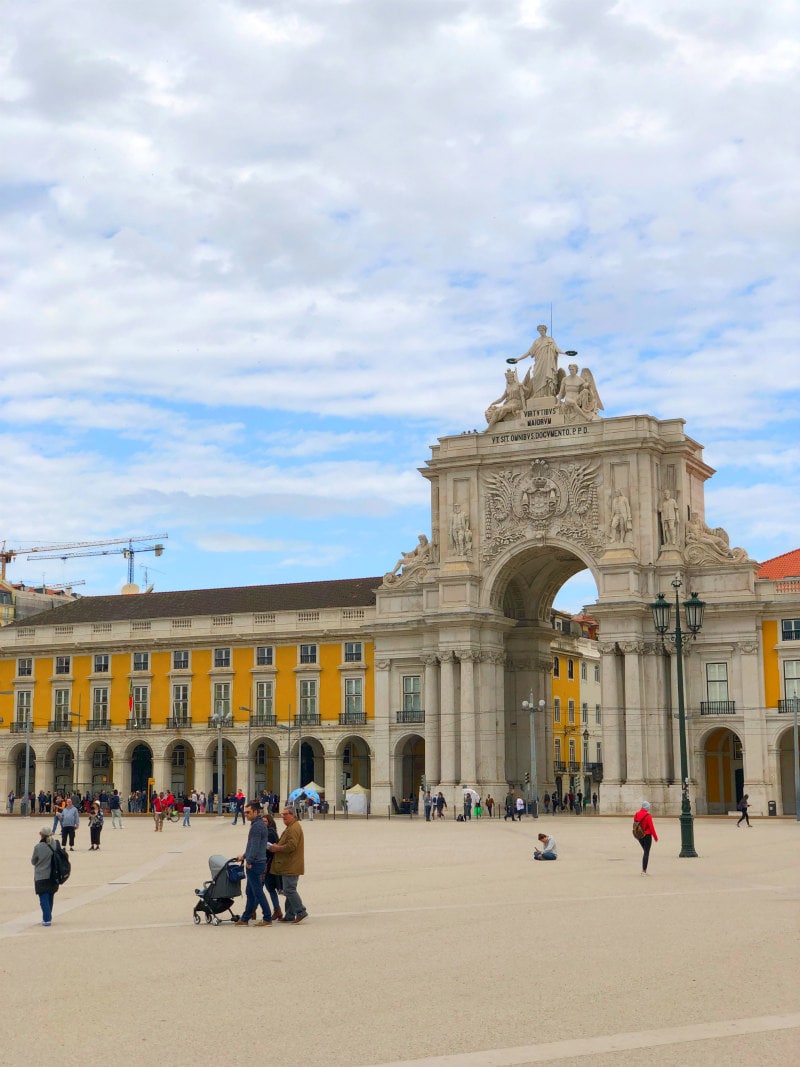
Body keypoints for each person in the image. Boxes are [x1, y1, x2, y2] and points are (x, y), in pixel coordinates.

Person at [234, 801, 272, 927]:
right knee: (250, 892)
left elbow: (255, 846)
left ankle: (267, 917)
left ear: (256, 812)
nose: (246, 814)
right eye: (245, 812)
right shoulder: (258, 824)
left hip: (255, 863)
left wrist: (249, 860)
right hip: (256, 861)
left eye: (248, 812)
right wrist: (244, 856)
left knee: (257, 892)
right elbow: (252, 845)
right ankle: (245, 918)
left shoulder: (257, 826)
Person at [268, 805, 308, 924]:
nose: (283, 817)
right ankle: (290, 914)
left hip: (291, 864)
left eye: (286, 814)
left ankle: (301, 911)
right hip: (289, 864)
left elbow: (292, 845)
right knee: (289, 890)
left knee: (289, 890)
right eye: (282, 814)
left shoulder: (293, 828)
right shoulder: (291, 827)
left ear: (293, 815)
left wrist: (277, 848)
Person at [32, 826, 63, 926]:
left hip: (41, 875)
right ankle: (48, 915)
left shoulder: (38, 847)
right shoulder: (56, 844)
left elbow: (33, 861)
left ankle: (47, 918)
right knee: (50, 896)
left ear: (42, 835)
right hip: (54, 875)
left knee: (43, 898)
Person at [262, 810, 283, 921]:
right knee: (269, 889)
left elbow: (271, 849)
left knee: (266, 888)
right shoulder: (272, 831)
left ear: (269, 822)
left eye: (265, 821)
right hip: (269, 863)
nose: (263, 823)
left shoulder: (269, 833)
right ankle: (277, 910)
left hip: (268, 864)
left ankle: (277, 910)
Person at [633, 801, 658, 875]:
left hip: (639, 835)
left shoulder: (636, 814)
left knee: (645, 852)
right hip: (647, 836)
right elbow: (651, 828)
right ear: (647, 807)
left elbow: (635, 824)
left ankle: (644, 870)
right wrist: (655, 837)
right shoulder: (648, 816)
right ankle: (644, 871)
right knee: (646, 853)